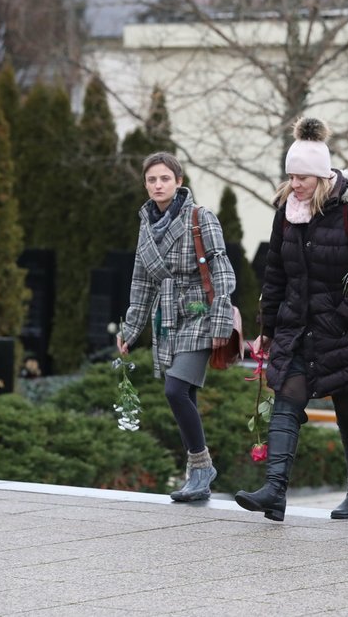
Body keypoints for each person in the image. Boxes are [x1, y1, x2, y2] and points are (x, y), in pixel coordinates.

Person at [234, 117, 348, 522]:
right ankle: (275, 492)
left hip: (344, 332)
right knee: (286, 396)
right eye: (291, 176)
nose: (294, 184)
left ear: (321, 177)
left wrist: (337, 321)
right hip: (297, 328)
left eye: (301, 177)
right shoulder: (287, 213)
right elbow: (276, 274)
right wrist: (267, 328)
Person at [117, 152, 236, 503]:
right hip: (168, 317)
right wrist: (130, 330)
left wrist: (221, 318)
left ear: (179, 182)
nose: (158, 185)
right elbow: (141, 284)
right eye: (152, 179)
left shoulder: (201, 218)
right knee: (186, 394)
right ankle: (196, 478)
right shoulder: (144, 225)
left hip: (201, 311)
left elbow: (223, 270)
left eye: (164, 178)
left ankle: (202, 467)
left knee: (175, 389)